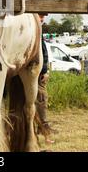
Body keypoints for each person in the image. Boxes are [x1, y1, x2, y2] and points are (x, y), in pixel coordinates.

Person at [35, 13, 56, 144]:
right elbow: (41, 52)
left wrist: (45, 70)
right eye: (40, 16)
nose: (42, 19)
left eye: (43, 17)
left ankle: (43, 130)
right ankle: (44, 131)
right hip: (36, 71)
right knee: (41, 100)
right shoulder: (34, 29)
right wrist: (44, 70)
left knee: (41, 101)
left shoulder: (38, 28)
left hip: (38, 71)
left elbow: (43, 52)